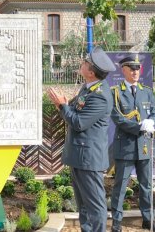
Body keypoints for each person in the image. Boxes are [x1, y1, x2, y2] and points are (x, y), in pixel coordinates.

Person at [47, 47, 113, 232]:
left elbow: (78, 122)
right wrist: (65, 106)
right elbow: (74, 113)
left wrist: (62, 106)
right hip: (80, 155)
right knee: (83, 204)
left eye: (85, 63)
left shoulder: (99, 96)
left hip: (89, 158)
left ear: (91, 72)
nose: (81, 64)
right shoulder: (88, 88)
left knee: (95, 205)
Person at [109, 55, 155, 232]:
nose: (135, 72)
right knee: (121, 186)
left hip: (144, 145)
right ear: (123, 70)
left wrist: (152, 122)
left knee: (146, 186)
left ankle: (148, 219)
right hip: (125, 146)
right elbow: (117, 118)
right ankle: (117, 221)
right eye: (131, 68)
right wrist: (140, 126)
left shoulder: (146, 91)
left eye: (137, 68)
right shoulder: (115, 92)